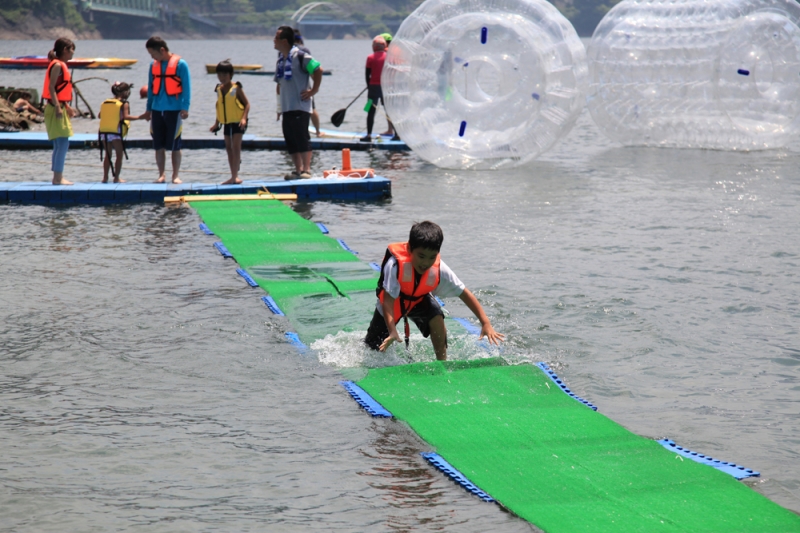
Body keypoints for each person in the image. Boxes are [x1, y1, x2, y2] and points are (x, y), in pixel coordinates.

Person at [364, 221, 504, 361]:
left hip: (418, 299)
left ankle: (442, 361)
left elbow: (464, 293)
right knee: (372, 350)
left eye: (432, 257)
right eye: (421, 256)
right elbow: (388, 301)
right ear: (409, 250)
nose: (426, 263)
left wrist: (485, 323)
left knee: (436, 313)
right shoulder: (394, 266)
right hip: (393, 302)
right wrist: (392, 330)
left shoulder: (440, 269)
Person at [273, 26, 323, 180]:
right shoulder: (280, 61)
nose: (273, 41)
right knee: (290, 139)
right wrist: (279, 107)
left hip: (300, 105)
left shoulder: (300, 56)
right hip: (287, 106)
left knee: (302, 137)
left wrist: (313, 91)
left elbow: (318, 69)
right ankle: (297, 170)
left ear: (284, 41)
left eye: (276, 37)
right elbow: (279, 85)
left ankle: (306, 169)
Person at [142, 36, 191, 184]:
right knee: (158, 145)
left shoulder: (181, 65)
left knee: (175, 144)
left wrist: (185, 107)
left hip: (174, 110)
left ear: (162, 50)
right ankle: (161, 174)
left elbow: (187, 87)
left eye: (153, 54)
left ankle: (175, 175)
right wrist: (148, 109)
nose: (152, 57)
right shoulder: (153, 65)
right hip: (157, 109)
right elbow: (150, 88)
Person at [42, 37, 77, 185]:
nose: (73, 53)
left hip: (58, 106)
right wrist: (57, 107)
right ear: (65, 50)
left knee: (59, 144)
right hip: (54, 107)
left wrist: (66, 107)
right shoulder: (57, 65)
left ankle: (57, 177)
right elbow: (51, 88)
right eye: (71, 50)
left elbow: (58, 89)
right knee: (62, 143)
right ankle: (58, 178)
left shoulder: (60, 65)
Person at [210, 60, 250, 185]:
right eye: (219, 75)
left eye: (225, 75)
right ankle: (233, 175)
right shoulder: (219, 89)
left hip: (239, 122)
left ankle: (234, 177)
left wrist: (244, 118)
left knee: (236, 147)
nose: (222, 78)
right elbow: (219, 107)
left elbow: (247, 104)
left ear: (231, 75)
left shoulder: (236, 88)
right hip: (226, 123)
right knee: (228, 148)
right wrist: (216, 123)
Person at [98, 82, 143, 183]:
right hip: (116, 132)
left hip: (104, 132)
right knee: (119, 154)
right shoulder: (124, 103)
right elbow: (126, 117)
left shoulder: (107, 102)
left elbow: (100, 115)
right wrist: (141, 117)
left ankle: (105, 178)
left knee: (108, 155)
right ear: (125, 92)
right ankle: (116, 178)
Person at [362, 35, 396, 142]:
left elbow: (367, 74)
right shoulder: (389, 57)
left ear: (374, 46)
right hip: (386, 88)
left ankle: (368, 135)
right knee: (389, 110)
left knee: (370, 111)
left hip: (373, 88)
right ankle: (397, 134)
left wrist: (369, 86)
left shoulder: (370, 58)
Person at [292, 29, 323, 137]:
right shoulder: (304, 50)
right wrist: (315, 88)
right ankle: (318, 132)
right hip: (304, 87)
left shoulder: (284, 51)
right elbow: (311, 69)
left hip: (289, 88)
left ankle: (293, 134)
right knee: (311, 109)